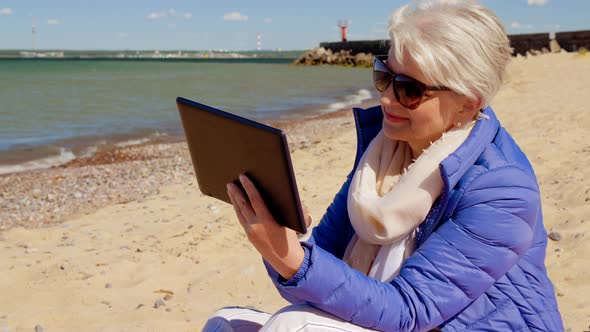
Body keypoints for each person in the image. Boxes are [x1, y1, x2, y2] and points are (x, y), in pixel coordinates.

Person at [203, 0, 564, 331]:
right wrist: (285, 243)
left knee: (291, 326)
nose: (386, 97)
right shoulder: (383, 155)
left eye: (409, 89)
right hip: (392, 316)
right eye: (383, 74)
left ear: (467, 104)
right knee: (225, 323)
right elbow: (315, 273)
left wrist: (292, 259)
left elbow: (409, 310)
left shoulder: (503, 190)